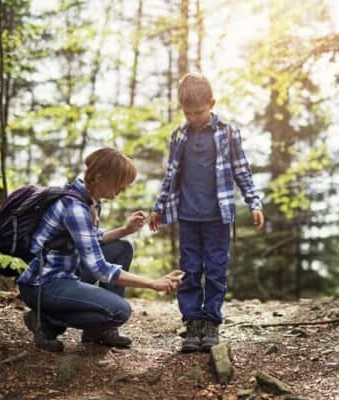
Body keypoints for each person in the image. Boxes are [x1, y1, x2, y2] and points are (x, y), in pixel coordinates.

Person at [17, 147, 183, 352]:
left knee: (121, 248)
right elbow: (100, 269)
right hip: (43, 284)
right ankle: (46, 322)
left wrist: (125, 230)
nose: (123, 188)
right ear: (100, 177)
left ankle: (98, 332)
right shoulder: (75, 207)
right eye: (120, 183)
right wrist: (153, 283)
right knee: (119, 311)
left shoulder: (89, 199)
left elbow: (91, 240)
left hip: (65, 273)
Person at [149, 72, 264, 352]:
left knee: (215, 269)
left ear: (211, 104)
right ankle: (192, 321)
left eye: (198, 112)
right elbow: (171, 175)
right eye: (188, 113)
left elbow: (241, 170)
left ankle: (210, 320)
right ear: (181, 109)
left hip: (218, 217)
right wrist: (158, 208)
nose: (193, 117)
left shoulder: (227, 133)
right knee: (189, 269)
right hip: (187, 216)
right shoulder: (179, 136)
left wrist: (254, 202)